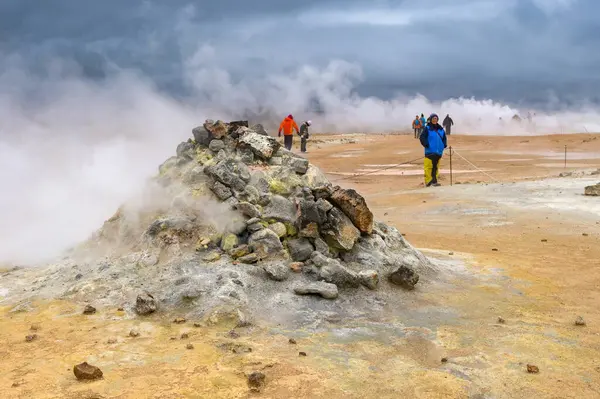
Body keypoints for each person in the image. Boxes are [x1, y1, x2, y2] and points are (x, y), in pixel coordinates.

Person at [419, 113, 447, 187]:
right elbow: (422, 137)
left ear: (437, 120)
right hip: (429, 151)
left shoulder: (441, 129)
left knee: (436, 167)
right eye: (433, 118)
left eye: (436, 118)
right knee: (428, 167)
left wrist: (444, 145)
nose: (435, 120)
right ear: (431, 119)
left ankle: (434, 181)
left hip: (438, 152)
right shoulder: (427, 128)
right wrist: (426, 144)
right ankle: (428, 182)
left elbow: (444, 138)